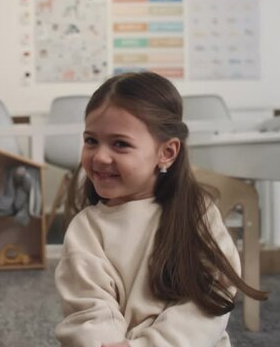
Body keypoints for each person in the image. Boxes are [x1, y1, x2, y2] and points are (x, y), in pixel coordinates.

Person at [55, 72, 268, 347]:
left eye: (120, 144)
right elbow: (89, 308)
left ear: (166, 153)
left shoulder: (198, 214)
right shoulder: (87, 228)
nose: (100, 156)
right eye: (91, 140)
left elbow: (205, 307)